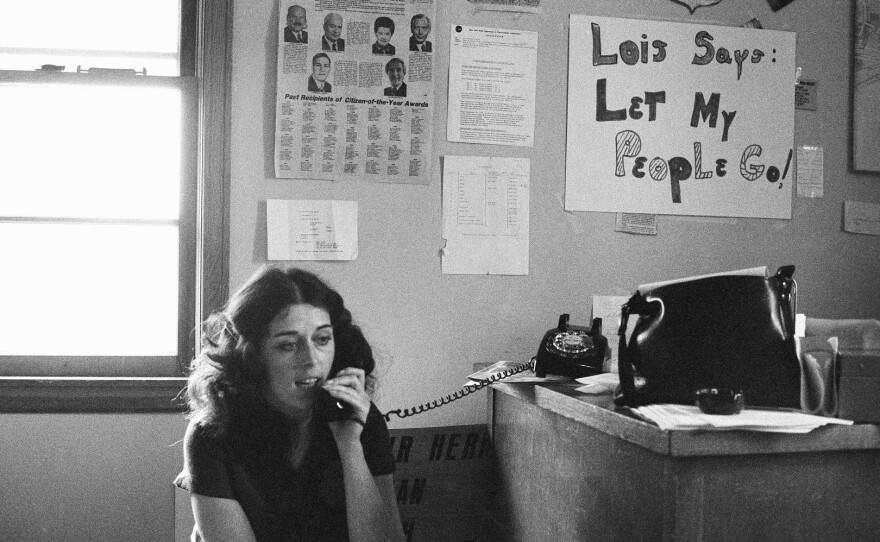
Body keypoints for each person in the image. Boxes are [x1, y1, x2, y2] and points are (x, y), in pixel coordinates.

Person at [174, 266, 406, 542]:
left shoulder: (360, 418)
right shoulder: (213, 432)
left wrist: (350, 446)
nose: (311, 360)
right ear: (253, 355)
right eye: (288, 345)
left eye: (322, 339)